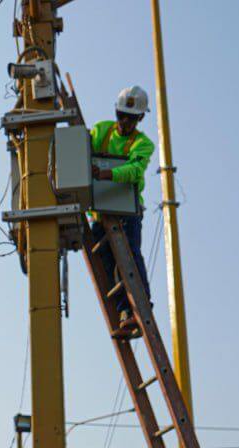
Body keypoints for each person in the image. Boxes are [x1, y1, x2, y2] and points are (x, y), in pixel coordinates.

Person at [89, 84, 156, 330]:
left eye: (130, 118)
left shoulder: (143, 144)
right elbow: (82, 151)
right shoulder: (101, 131)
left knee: (130, 257)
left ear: (139, 118)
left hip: (128, 211)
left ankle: (142, 304)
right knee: (108, 262)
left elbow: (135, 170)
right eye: (121, 116)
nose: (124, 122)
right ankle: (123, 311)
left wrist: (106, 174)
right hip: (99, 211)